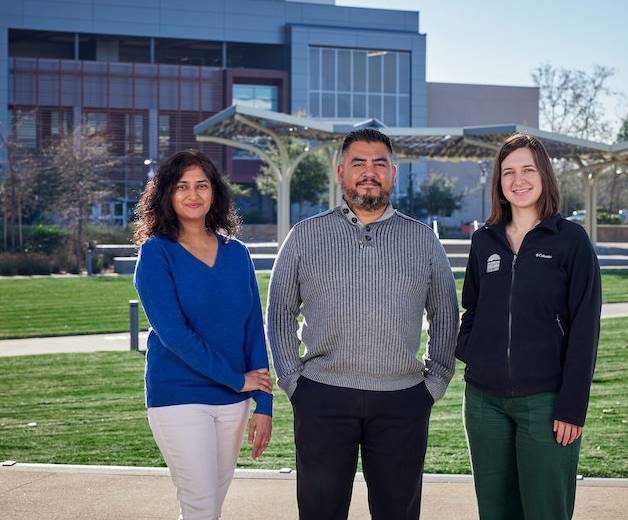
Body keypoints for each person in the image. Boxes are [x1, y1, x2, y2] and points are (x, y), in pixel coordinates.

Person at [267, 128, 458, 520]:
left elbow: (446, 314)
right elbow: (279, 311)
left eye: (379, 164)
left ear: (393, 173)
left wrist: (434, 382)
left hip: (403, 400)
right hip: (322, 395)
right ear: (341, 171)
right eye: (358, 163)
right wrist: (292, 380)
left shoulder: (423, 241)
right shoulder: (305, 236)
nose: (368, 172)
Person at [456, 133, 602, 520]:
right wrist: (471, 351)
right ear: (499, 183)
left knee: (545, 512)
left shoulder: (571, 241)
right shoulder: (484, 240)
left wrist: (572, 407)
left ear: (544, 176)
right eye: (508, 173)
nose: (517, 180)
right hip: (483, 403)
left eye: (527, 170)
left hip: (546, 402)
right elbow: (471, 307)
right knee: (495, 511)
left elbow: (585, 329)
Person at [133, 149, 273, 520]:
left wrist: (264, 403)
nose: (192, 194)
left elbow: (252, 328)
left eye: (201, 185)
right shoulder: (155, 253)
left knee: (209, 505)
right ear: (166, 194)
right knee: (200, 505)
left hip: (234, 400)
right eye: (182, 186)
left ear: (214, 192)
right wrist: (236, 379)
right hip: (179, 396)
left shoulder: (237, 254)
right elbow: (175, 335)